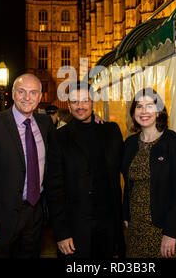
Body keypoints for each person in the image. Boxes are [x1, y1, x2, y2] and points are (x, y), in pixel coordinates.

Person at [0, 73, 57, 258]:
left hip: (34, 217)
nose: (27, 97)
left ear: (40, 97)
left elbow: (64, 146)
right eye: (21, 91)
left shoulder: (45, 123)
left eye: (33, 93)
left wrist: (94, 120)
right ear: (13, 93)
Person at [45, 81, 124, 259]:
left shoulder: (111, 131)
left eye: (85, 101)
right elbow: (54, 189)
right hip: (75, 229)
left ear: (93, 102)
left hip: (108, 226)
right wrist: (61, 233)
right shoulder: (58, 138)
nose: (80, 106)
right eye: (75, 102)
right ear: (69, 106)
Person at [122, 88, 176, 258]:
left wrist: (171, 232)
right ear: (133, 112)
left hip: (164, 229)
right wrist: (125, 215)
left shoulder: (174, 143)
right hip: (135, 227)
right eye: (139, 106)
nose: (144, 111)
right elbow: (129, 186)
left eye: (150, 106)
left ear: (159, 112)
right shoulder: (130, 144)